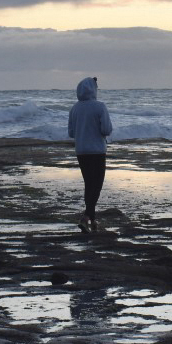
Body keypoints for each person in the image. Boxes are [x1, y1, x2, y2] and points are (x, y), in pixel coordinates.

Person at [67, 75, 113, 231]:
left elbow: (71, 133)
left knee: (89, 184)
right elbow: (106, 129)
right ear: (93, 90)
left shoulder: (75, 108)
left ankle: (92, 220)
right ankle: (86, 216)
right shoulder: (100, 107)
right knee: (97, 184)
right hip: (97, 151)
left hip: (81, 151)